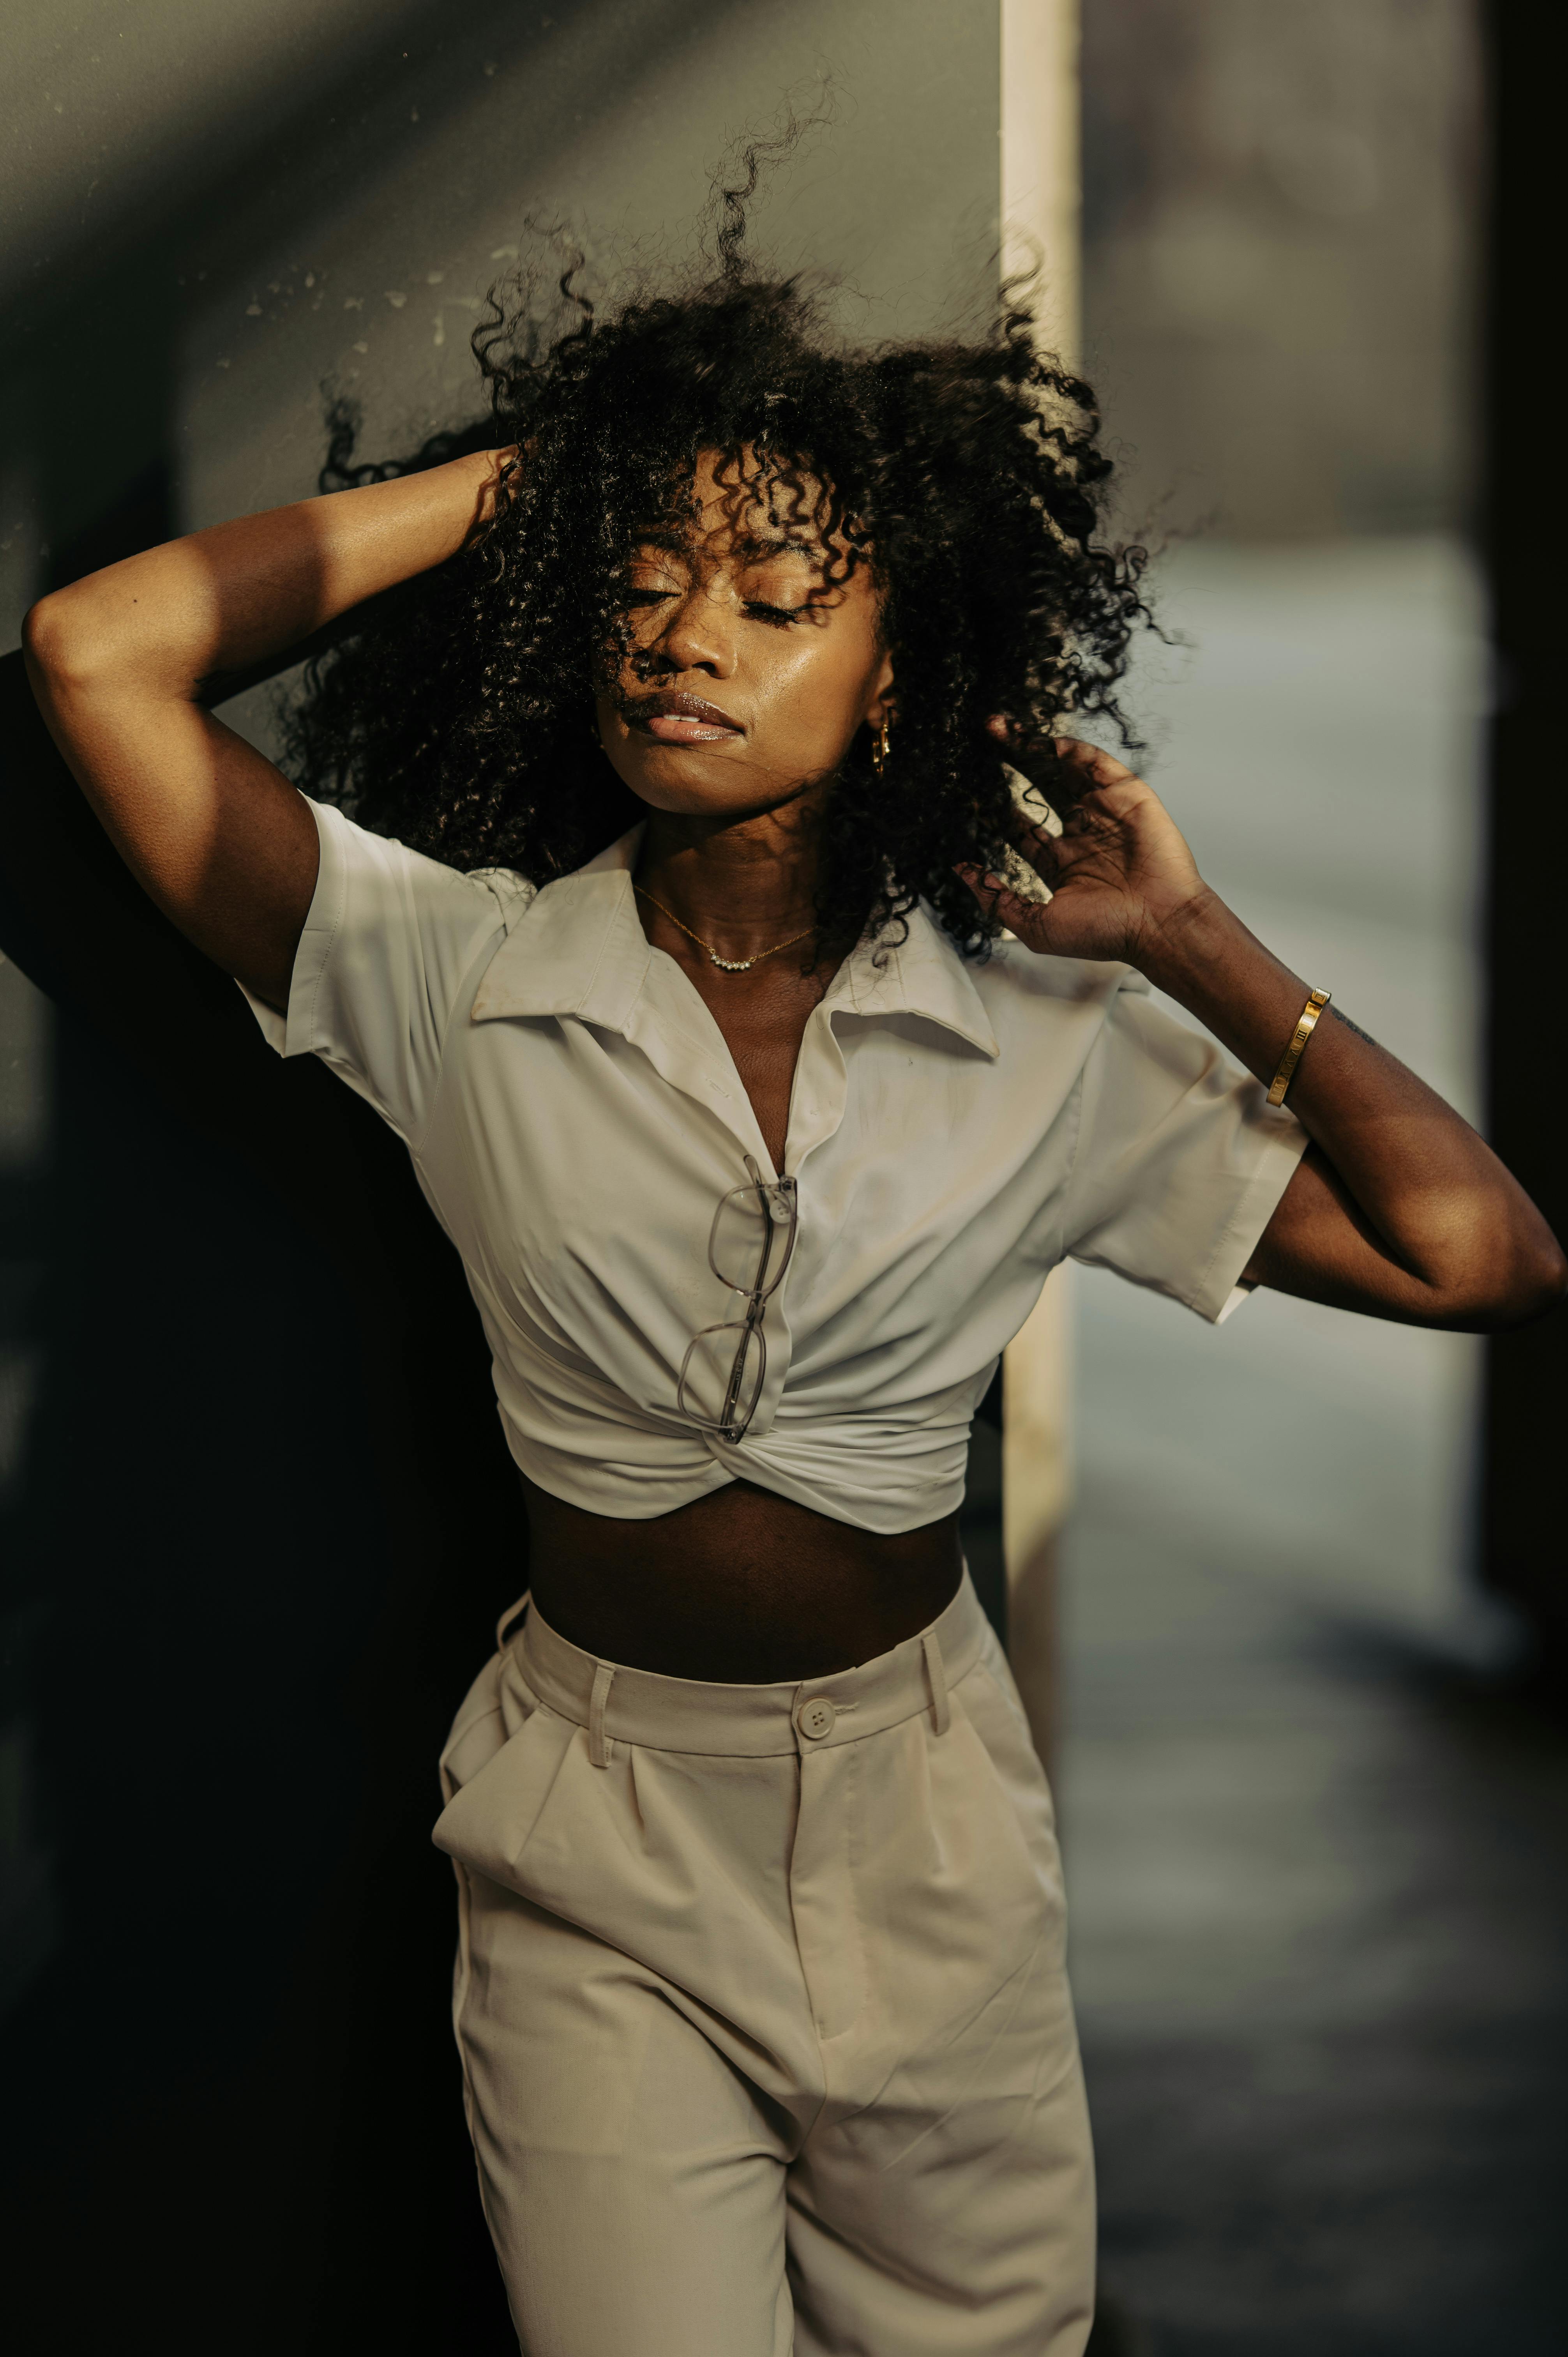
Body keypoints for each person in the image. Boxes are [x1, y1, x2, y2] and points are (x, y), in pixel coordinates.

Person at [22, 218, 1563, 2357]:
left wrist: (1192, 947)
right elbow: (94, 649)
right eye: (641, 585)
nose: (683, 636)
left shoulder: (1044, 1040)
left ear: (900, 664)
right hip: (594, 1825)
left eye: (771, 595)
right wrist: (536, 487)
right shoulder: (439, 967)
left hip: (925, 1823)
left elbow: (1479, 1254)